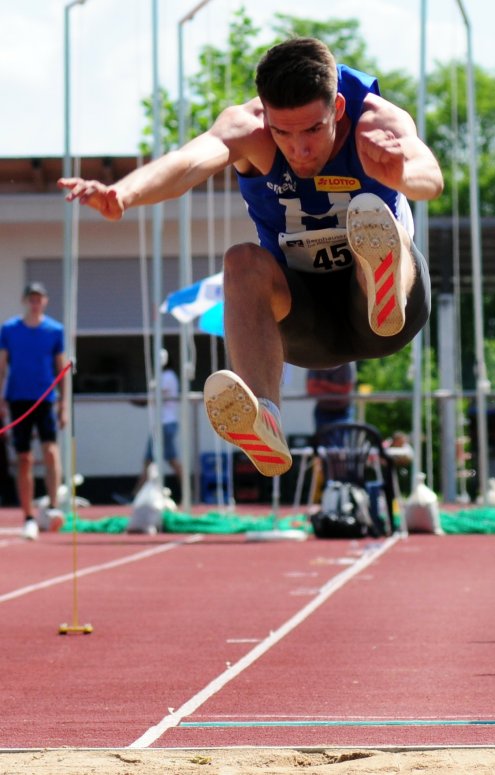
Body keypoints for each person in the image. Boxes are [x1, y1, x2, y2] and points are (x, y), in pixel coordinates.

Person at [58, 37, 443, 479]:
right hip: (306, 326)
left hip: (388, 318)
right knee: (241, 261)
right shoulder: (249, 129)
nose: (299, 149)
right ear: (266, 117)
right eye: (284, 133)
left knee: (376, 222)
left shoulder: (376, 122)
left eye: (312, 130)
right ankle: (265, 417)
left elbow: (430, 174)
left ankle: (379, 281)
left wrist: (403, 173)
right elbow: (187, 162)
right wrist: (124, 193)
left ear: (337, 107)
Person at [0, 283, 67, 539]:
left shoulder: (54, 330)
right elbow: (2, 366)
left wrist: (63, 405)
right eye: (31, 299)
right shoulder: (9, 329)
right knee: (24, 457)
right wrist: (1, 400)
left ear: (45, 301)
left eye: (39, 298)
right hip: (18, 399)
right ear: (25, 301)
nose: (35, 303)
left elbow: (61, 368)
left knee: (51, 451)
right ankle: (28, 515)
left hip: (46, 399)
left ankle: (52, 506)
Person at [131, 348, 183, 497]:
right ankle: (136, 494)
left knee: (172, 460)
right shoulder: (162, 376)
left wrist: (139, 401)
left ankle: (190, 493)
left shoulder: (168, 376)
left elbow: (157, 397)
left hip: (165, 424)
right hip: (159, 425)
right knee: (148, 460)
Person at [307, 363, 356, 430]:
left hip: (343, 411)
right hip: (323, 410)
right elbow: (311, 389)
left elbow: (346, 390)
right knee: (323, 439)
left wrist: (323, 384)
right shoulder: (315, 362)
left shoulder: (347, 363)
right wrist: (338, 390)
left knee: (342, 438)